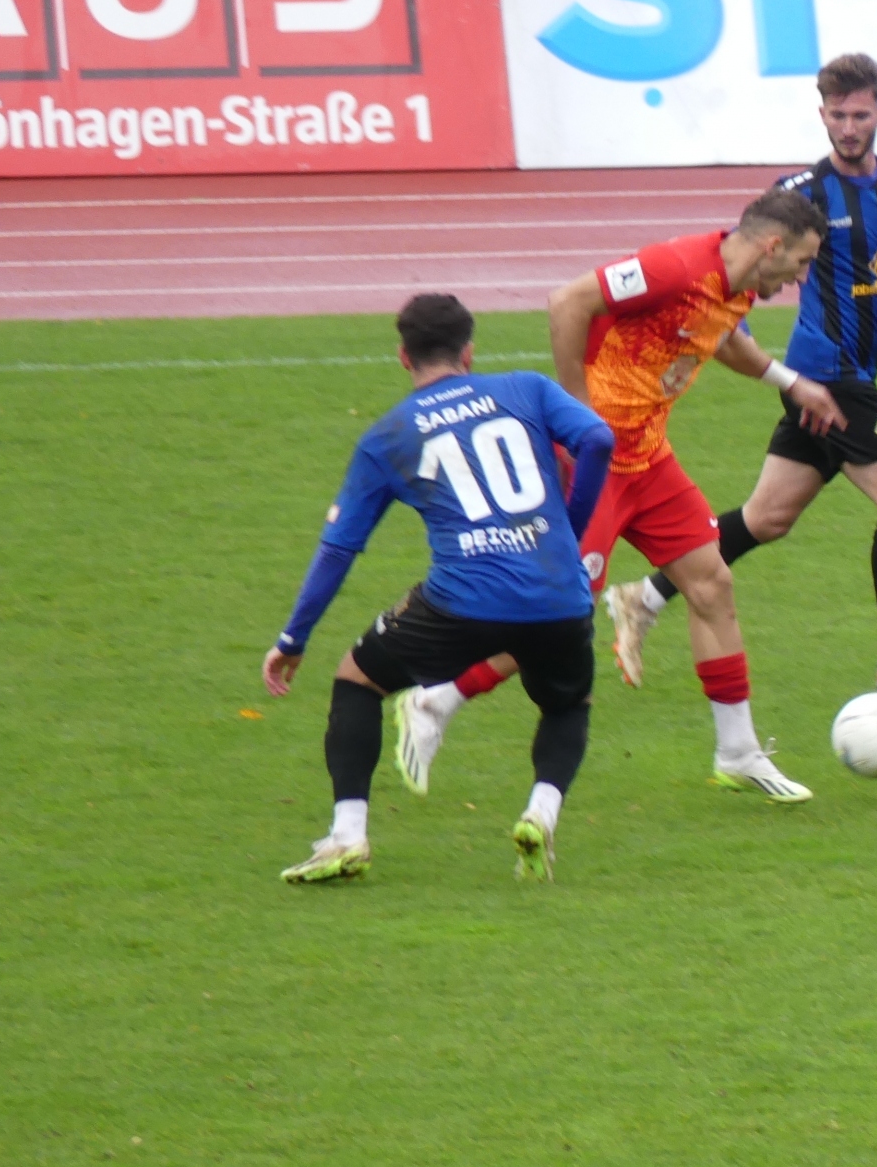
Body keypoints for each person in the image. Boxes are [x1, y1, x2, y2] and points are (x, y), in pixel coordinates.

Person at [391, 191, 842, 805]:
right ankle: (434, 700)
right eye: (802, 262)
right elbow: (567, 301)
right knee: (557, 616)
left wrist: (789, 382)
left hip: (648, 460)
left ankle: (737, 753)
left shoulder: (736, 285)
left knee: (711, 584)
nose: (801, 278)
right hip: (591, 467)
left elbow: (722, 336)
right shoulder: (673, 267)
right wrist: (576, 416)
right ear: (773, 247)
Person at [615, 53, 877, 704]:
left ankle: (644, 596)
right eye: (837, 115)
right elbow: (740, 266)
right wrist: (743, 341)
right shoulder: (801, 192)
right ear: (822, 114)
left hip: (837, 376)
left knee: (767, 517)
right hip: (829, 376)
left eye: (859, 115)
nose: (848, 127)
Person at [261, 293, 615, 883]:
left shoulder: (388, 436)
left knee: (357, 680)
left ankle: (348, 835)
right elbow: (598, 440)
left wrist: (293, 638)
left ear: (404, 357)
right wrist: (569, 532)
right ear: (469, 352)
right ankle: (540, 814)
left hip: (461, 605)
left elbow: (340, 547)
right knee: (566, 704)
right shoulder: (526, 388)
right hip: (558, 593)